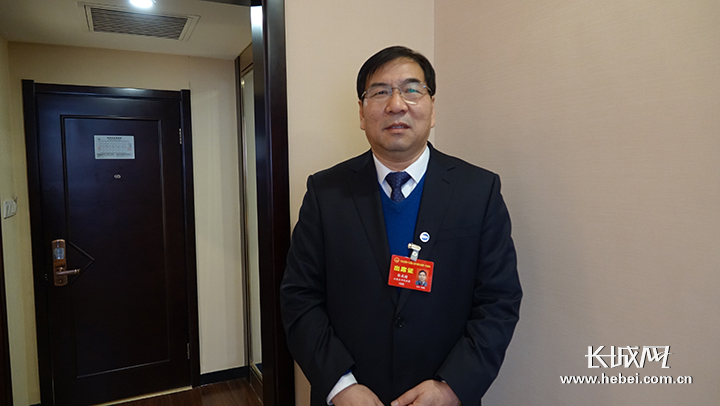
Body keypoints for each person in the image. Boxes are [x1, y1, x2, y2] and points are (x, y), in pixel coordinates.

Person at [280, 45, 522, 406]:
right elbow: (299, 297)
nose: (396, 104)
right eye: (380, 92)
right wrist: (340, 386)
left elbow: (499, 300)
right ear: (362, 113)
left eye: (411, 90)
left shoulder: (478, 190)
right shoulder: (325, 191)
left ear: (432, 108)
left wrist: (452, 386)